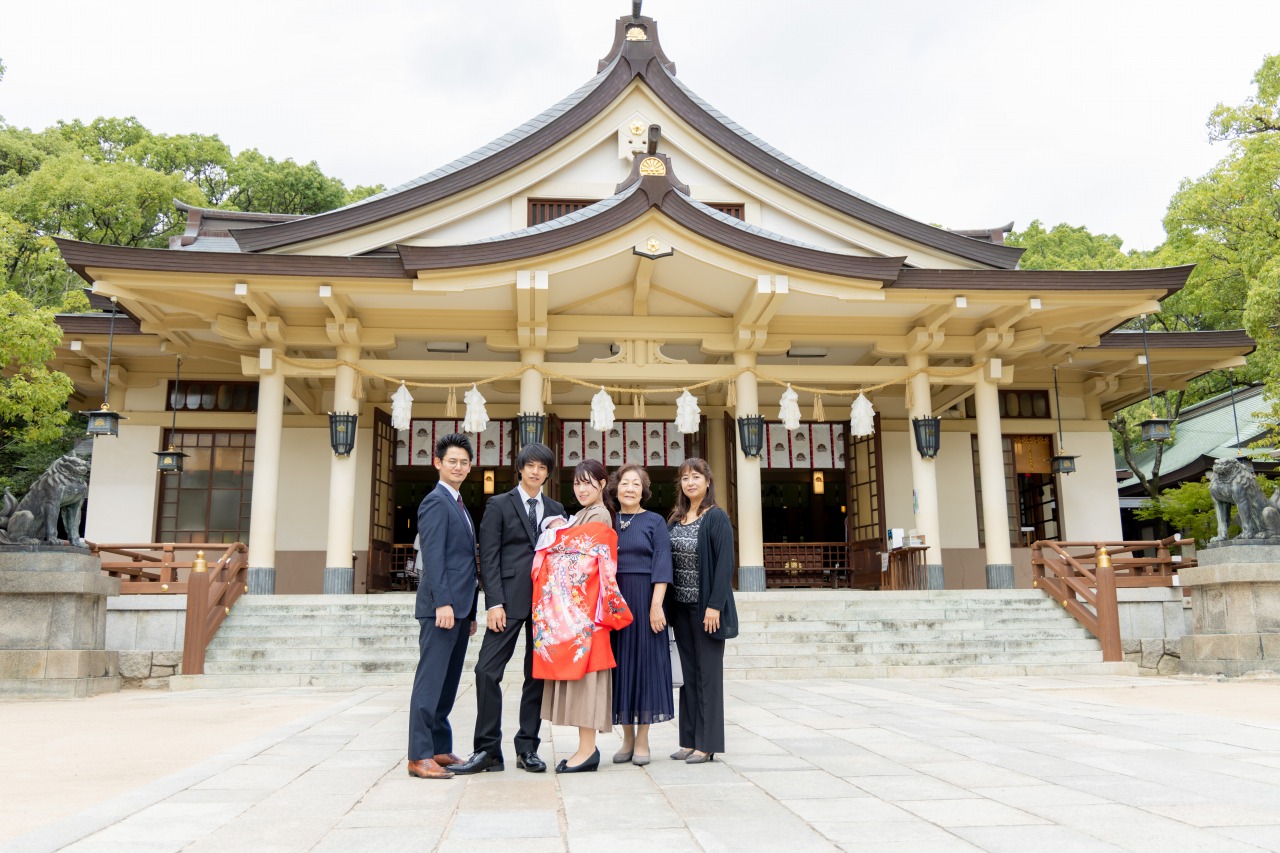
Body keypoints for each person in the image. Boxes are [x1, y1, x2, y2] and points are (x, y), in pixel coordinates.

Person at [452, 443, 566, 776]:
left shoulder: (557, 509)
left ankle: (527, 747)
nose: (536, 472)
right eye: (530, 465)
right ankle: (487, 749)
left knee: (537, 674)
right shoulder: (499, 504)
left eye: (542, 467)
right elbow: (487, 555)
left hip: (545, 604)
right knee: (486, 671)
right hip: (508, 600)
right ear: (520, 468)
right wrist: (494, 602)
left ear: (548, 472)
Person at [531, 459, 631, 773]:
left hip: (585, 615)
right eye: (577, 483)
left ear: (603, 484)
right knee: (581, 682)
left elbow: (583, 565)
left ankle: (588, 751)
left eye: (588, 482)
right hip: (578, 615)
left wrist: (551, 541)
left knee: (587, 682)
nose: (582, 488)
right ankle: (584, 749)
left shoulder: (599, 514)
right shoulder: (579, 516)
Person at [407, 433, 479, 780]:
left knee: (448, 682)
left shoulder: (459, 503)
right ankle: (419, 755)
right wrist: (444, 604)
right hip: (442, 609)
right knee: (431, 681)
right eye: (452, 461)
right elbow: (433, 558)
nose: (459, 467)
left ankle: (438, 747)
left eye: (464, 462)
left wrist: (470, 612)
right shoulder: (436, 501)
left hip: (460, 610)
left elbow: (465, 561)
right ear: (438, 463)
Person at [666, 457, 737, 764]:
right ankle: (688, 739)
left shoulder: (716, 517)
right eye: (685, 478)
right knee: (689, 676)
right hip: (680, 608)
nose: (690, 482)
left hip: (706, 609)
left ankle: (706, 744)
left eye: (696, 477)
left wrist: (714, 606)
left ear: (708, 482)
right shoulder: (675, 519)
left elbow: (724, 565)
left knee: (708, 676)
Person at [609, 463, 674, 766]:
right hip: (614, 604)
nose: (630, 488)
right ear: (616, 488)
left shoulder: (654, 521)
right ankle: (627, 737)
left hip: (645, 598)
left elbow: (662, 563)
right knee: (620, 668)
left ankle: (644, 739)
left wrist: (656, 605)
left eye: (636, 484)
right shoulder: (607, 519)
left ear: (644, 490)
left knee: (645, 668)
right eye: (625, 483)